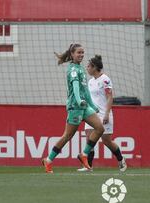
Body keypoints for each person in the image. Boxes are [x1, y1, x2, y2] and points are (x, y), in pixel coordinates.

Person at [41, 43, 105, 173]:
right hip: (75, 106)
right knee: (67, 136)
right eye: (78, 53)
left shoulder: (80, 68)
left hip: (84, 106)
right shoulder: (73, 70)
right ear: (72, 54)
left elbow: (85, 90)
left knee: (100, 128)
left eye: (82, 52)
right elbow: (75, 88)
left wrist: (92, 106)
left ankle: (84, 154)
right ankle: (48, 160)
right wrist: (78, 100)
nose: (81, 55)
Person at [77, 55, 127, 172]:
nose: (87, 68)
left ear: (94, 67)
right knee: (89, 136)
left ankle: (121, 159)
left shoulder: (105, 79)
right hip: (92, 114)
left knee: (106, 141)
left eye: (89, 66)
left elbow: (110, 97)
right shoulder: (90, 82)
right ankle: (88, 166)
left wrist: (107, 113)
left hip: (104, 113)